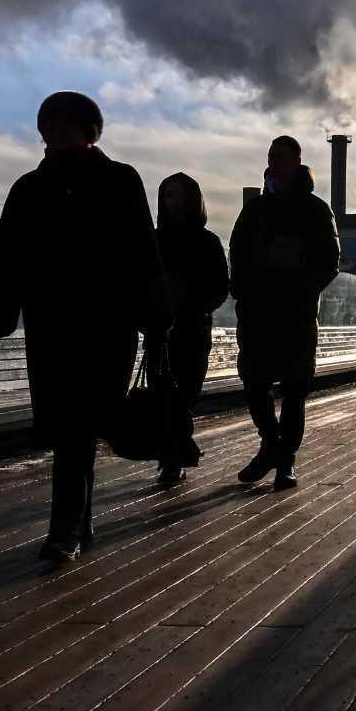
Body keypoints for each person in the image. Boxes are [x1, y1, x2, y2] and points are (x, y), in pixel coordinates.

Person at [0, 91, 167, 564]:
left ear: (90, 132)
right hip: (53, 323)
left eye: (70, 125)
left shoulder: (121, 180)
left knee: (84, 419)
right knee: (71, 424)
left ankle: (69, 526)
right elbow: (5, 257)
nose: (60, 133)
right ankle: (69, 525)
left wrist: (155, 320)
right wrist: (0, 310)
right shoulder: (29, 188)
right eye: (53, 125)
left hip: (108, 323)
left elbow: (143, 251)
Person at [229, 137, 340, 490]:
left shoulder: (316, 210)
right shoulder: (255, 210)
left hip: (296, 314)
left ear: (297, 161)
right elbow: (237, 251)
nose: (274, 162)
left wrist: (301, 289)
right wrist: (243, 291)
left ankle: (284, 459)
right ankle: (271, 445)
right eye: (270, 157)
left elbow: (329, 262)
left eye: (280, 157)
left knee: (294, 389)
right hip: (257, 313)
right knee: (254, 383)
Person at [145, 172, 229, 487]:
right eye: (169, 196)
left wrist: (193, 305)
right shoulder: (152, 240)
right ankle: (173, 459)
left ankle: (176, 454)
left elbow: (221, 287)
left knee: (185, 396)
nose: (175, 202)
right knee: (164, 396)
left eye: (180, 196)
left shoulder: (208, 242)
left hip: (193, 331)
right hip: (159, 334)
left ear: (193, 200)